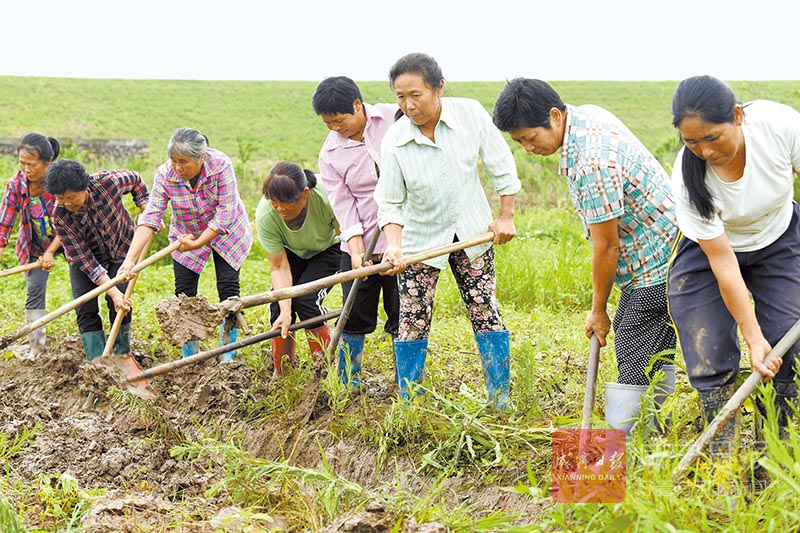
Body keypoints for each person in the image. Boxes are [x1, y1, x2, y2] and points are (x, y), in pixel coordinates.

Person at [493, 78, 677, 430]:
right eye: (520, 143)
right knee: (637, 335)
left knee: (634, 342)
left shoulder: (591, 164)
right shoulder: (586, 117)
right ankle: (653, 429)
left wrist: (597, 310)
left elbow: (606, 246)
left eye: (531, 138)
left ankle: (636, 443)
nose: (529, 149)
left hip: (658, 260)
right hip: (662, 246)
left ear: (554, 116)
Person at [375, 53, 520, 408]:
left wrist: (505, 216)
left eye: (416, 95)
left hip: (472, 234)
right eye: (400, 97)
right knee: (412, 318)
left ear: (439, 87)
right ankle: (410, 402)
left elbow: (500, 164)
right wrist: (394, 246)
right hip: (420, 241)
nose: (409, 105)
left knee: (484, 308)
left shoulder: (469, 114)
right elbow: (391, 202)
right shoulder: (395, 139)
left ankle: (500, 398)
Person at [668, 75, 800, 453]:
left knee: (788, 347)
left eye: (712, 138)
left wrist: (767, 341)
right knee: (708, 353)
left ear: (738, 116)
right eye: (692, 142)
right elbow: (724, 265)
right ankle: (720, 464)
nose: (705, 151)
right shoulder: (688, 180)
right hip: (709, 253)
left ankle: (770, 460)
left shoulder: (779, 127)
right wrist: (752, 337)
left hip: (778, 238)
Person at [120, 127, 253, 361]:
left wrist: (199, 242)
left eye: (184, 161)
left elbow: (226, 212)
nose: (178, 168)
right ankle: (189, 355)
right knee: (184, 292)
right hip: (186, 233)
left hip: (226, 231)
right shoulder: (165, 175)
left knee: (228, 289)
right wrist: (129, 260)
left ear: (201, 157)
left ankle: (228, 355)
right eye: (173, 161)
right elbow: (151, 217)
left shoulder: (220, 164)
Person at [312, 76, 401, 389]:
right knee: (353, 313)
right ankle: (349, 383)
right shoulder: (331, 154)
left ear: (358, 106)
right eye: (327, 123)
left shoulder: (395, 117)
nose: (335, 128)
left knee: (403, 313)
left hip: (401, 240)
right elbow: (343, 203)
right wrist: (356, 249)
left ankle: (406, 383)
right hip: (360, 241)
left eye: (339, 120)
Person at [45, 159, 149, 360]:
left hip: (121, 249)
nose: (66, 203)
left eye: (70, 197)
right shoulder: (60, 217)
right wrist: (112, 292)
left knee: (121, 304)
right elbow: (87, 262)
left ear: (83, 186)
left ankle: (122, 356)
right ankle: (97, 362)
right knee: (85, 308)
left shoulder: (108, 182)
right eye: (60, 198)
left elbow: (136, 180)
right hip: (86, 263)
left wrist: (145, 205)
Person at [255, 161, 341, 378]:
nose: (280, 209)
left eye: (286, 203)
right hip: (291, 252)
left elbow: (347, 235)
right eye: (275, 203)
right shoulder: (266, 215)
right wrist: (285, 311)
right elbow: (279, 266)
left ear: (304, 194)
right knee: (278, 306)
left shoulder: (328, 196)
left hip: (329, 248)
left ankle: (326, 369)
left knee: (307, 299)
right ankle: (283, 372)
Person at [0, 134, 63, 357]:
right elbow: (4, 224)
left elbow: (70, 222)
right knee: (34, 292)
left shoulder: (60, 184)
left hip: (70, 237)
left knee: (87, 281)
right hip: (35, 245)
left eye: (32, 164)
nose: (26, 169)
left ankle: (96, 338)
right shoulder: (16, 185)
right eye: (22, 163)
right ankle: (37, 347)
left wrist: (52, 251)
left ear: (48, 162)